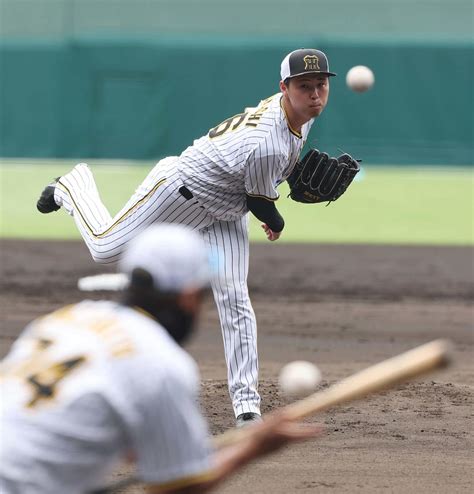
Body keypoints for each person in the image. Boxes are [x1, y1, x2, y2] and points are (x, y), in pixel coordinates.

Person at [36, 48, 336, 426]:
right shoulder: (267, 141)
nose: (314, 95)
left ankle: (247, 408)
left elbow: (267, 174)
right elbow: (262, 203)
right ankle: (72, 185)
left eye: (320, 85)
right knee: (105, 248)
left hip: (226, 211)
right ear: (284, 88)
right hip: (179, 192)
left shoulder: (299, 116)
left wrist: (284, 180)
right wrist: (276, 221)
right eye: (304, 86)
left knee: (235, 297)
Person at [0, 224, 319, 494]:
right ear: (189, 296)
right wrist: (253, 448)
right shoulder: (160, 363)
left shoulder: (64, 319)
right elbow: (181, 487)